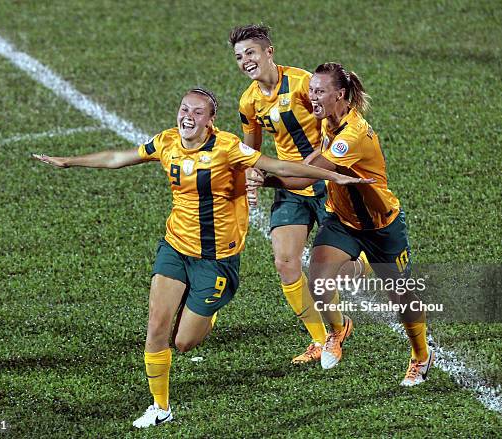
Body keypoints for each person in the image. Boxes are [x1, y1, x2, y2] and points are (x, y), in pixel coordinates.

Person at [32, 87, 374, 428]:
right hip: (175, 248)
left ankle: (207, 313)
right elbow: (118, 158)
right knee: (155, 326)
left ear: (210, 121)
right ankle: (160, 407)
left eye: (197, 113)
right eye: (184, 110)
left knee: (184, 342)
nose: (188, 117)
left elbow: (277, 164)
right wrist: (69, 162)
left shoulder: (227, 147)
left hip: (216, 260)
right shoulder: (166, 142)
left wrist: (333, 175)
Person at [248, 64, 434, 385]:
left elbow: (304, 173)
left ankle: (420, 354)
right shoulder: (328, 125)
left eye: (320, 92)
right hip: (342, 220)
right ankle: (337, 330)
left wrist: (259, 176)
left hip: (380, 226)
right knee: (319, 281)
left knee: (400, 297)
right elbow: (303, 173)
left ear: (341, 95)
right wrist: (268, 175)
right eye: (311, 90)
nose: (312, 97)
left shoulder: (352, 136)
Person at [229, 24, 369, 364]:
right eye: (238, 56)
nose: (245, 61)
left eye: (250, 52)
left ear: (269, 52)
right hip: (291, 188)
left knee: (344, 267)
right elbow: (252, 147)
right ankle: (324, 339)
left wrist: (327, 157)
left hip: (325, 182)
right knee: (285, 262)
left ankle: (368, 260)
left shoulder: (304, 83)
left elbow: (338, 118)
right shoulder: (249, 102)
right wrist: (251, 176)